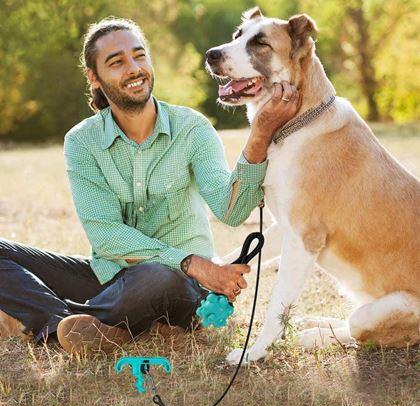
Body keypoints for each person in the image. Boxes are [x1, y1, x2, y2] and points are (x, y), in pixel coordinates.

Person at [0, 17, 301, 353]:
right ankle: (64, 327)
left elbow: (231, 212)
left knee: (155, 276)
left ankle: (71, 318)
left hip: (180, 286)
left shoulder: (191, 128)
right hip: (111, 277)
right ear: (94, 78)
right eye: (117, 62)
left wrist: (260, 134)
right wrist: (195, 262)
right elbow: (107, 236)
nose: (134, 68)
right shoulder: (82, 142)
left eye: (139, 56)